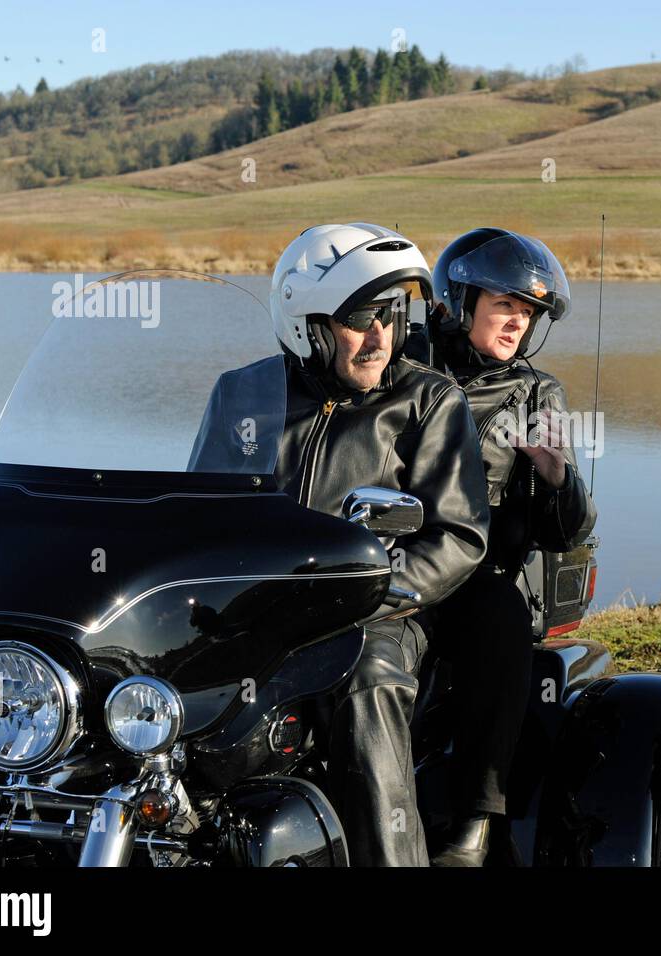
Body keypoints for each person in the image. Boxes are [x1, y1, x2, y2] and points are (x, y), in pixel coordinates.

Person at [189, 222, 490, 866]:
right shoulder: (242, 394)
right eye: (361, 318)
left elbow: (458, 535)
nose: (382, 336)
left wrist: (365, 594)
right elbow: (200, 513)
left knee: (366, 682)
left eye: (392, 315)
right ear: (309, 324)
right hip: (251, 612)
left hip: (378, 615)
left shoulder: (427, 400)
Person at [420, 228, 598, 866]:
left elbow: (570, 530)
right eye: (505, 306)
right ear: (460, 301)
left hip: (481, 574)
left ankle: (476, 817)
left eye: (528, 313)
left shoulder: (537, 394)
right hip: (396, 564)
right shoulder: (405, 369)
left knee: (497, 613)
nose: (518, 322)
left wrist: (558, 478)